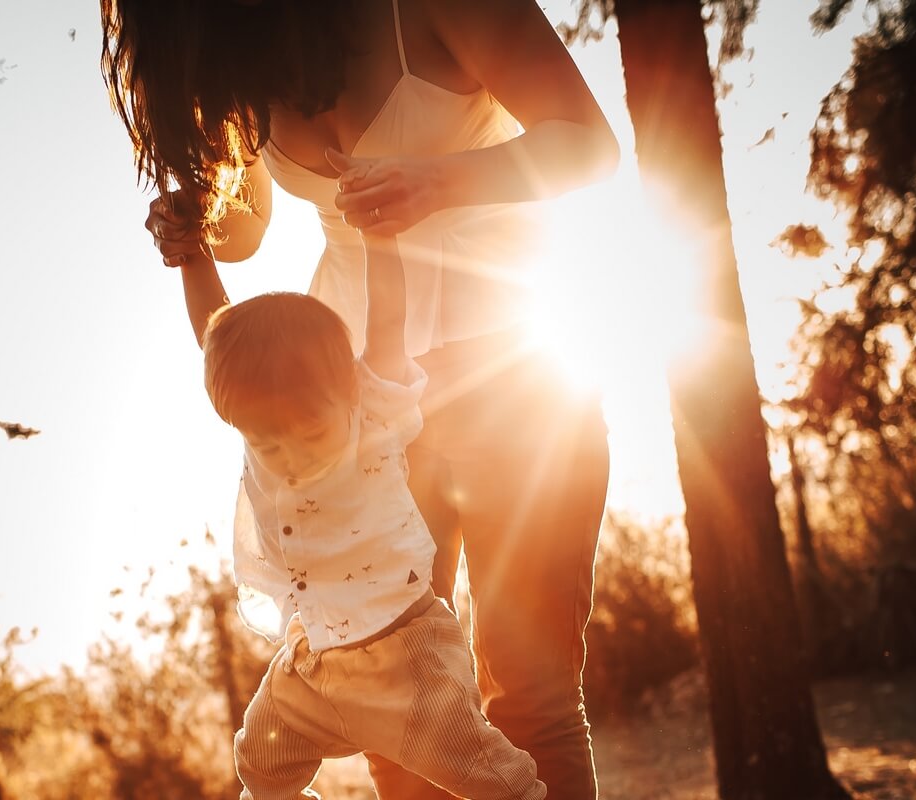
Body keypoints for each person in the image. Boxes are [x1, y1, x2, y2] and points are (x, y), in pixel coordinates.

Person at [107, 0, 617, 796]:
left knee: (533, 693)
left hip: (513, 375)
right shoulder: (255, 49)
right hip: (356, 406)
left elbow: (588, 142)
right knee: (392, 710)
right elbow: (249, 223)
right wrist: (194, 227)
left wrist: (436, 183)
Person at [172, 215, 544, 799]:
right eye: (267, 441)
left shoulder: (374, 412)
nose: (288, 454)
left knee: (489, 776)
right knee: (260, 768)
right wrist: (193, 252)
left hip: (406, 661)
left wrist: (379, 235)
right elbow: (214, 334)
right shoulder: (261, 415)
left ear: (348, 388)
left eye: (310, 432)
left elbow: (390, 321)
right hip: (312, 665)